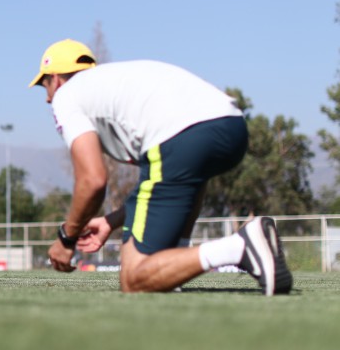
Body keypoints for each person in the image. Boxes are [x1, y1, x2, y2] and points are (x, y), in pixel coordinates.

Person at [31, 38, 292, 295]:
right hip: (231, 126)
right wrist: (111, 221)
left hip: (182, 139)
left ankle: (238, 247)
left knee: (132, 279)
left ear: (55, 79)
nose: (47, 99)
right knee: (186, 179)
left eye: (45, 86)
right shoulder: (113, 82)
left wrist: (67, 237)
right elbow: (164, 181)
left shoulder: (66, 95)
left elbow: (93, 180)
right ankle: (170, 268)